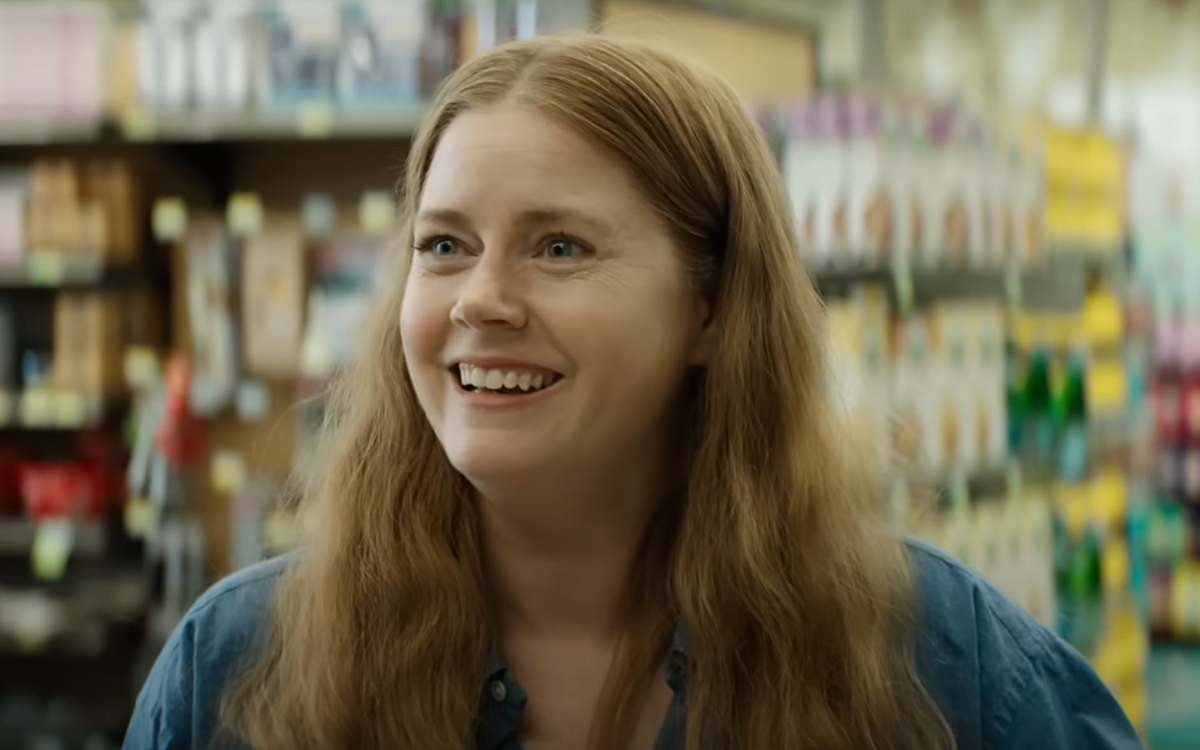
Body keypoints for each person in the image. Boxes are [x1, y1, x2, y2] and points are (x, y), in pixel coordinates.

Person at [123, 34, 1143, 750]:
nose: (480, 299)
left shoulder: (930, 655)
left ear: (709, 308)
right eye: (444, 245)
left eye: (559, 246)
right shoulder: (238, 668)